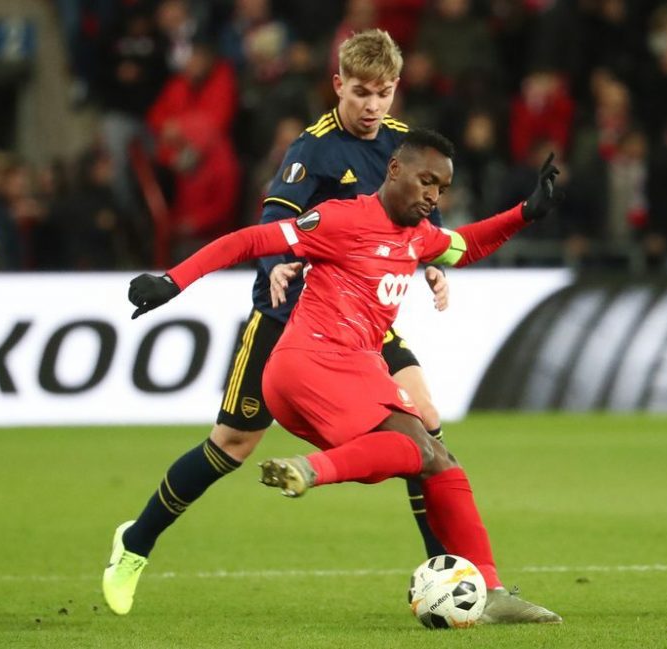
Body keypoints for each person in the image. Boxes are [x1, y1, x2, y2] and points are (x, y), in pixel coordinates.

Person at [120, 128, 564, 624]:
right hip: (306, 363)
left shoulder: (417, 238)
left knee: (437, 458)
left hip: (355, 366)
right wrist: (173, 280)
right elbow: (252, 239)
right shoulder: (342, 218)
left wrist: (525, 213)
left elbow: (465, 245)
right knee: (411, 445)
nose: (433, 196)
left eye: (441, 188)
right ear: (394, 170)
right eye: (425, 181)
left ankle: (492, 588)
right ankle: (311, 470)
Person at [103, 29, 455, 614]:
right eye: (362, 92)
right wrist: (278, 267)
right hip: (289, 318)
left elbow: (419, 221)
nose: (373, 106)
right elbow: (271, 224)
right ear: (339, 85)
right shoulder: (311, 150)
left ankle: (447, 567)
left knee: (425, 423)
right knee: (233, 444)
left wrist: (434, 266)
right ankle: (135, 543)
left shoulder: (402, 146)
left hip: (362, 320)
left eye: (384, 93)